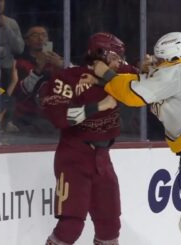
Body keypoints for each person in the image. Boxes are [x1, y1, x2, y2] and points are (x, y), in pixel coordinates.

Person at [85, 32, 181, 245]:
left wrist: (108, 76)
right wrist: (149, 70)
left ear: (173, 58)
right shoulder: (179, 71)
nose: (154, 62)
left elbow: (134, 94)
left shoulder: (177, 72)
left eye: (159, 59)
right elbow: (145, 83)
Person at [39, 32, 137, 245]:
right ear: (100, 54)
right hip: (74, 155)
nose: (120, 62)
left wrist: (152, 67)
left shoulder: (120, 73)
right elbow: (60, 118)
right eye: (115, 57)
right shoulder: (67, 78)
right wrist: (99, 107)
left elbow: (144, 84)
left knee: (110, 224)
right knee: (71, 226)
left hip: (102, 157)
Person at [12, 25, 63, 135]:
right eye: (35, 35)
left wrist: (62, 66)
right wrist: (38, 69)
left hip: (51, 116)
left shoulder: (57, 62)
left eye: (44, 35)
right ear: (27, 41)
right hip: (27, 117)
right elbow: (20, 92)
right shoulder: (20, 63)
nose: (40, 38)